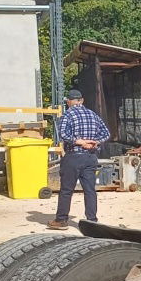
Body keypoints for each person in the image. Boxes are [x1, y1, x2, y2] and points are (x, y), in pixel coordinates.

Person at [49, 89, 110, 229]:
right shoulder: (93, 114)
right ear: (81, 100)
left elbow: (63, 135)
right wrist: (95, 142)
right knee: (90, 190)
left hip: (73, 157)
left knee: (66, 190)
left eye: (68, 101)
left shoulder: (67, 115)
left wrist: (80, 142)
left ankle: (61, 220)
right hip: (90, 157)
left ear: (69, 101)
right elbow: (106, 133)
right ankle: (92, 221)